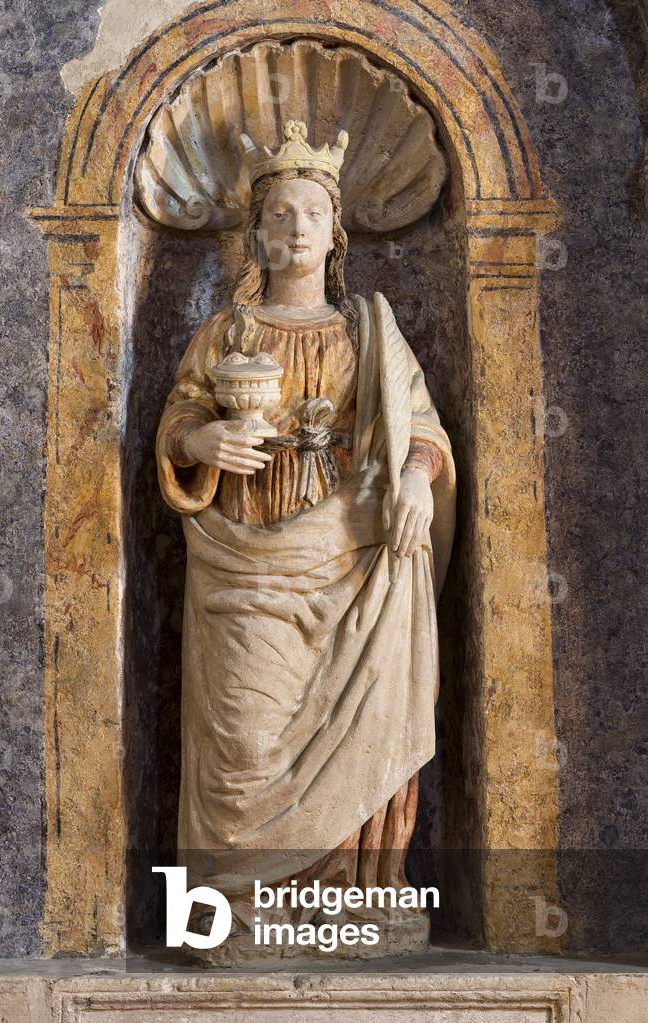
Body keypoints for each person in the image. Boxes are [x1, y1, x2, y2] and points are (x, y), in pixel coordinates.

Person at [156, 120, 455, 902]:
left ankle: (342, 899)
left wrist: (419, 479)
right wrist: (206, 439)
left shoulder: (368, 333)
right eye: (279, 215)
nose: (295, 228)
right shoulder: (227, 331)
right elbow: (178, 422)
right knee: (244, 739)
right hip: (242, 563)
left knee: (362, 728)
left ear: (334, 233)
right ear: (256, 235)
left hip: (352, 561)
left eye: (311, 214)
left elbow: (418, 426)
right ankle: (239, 906)